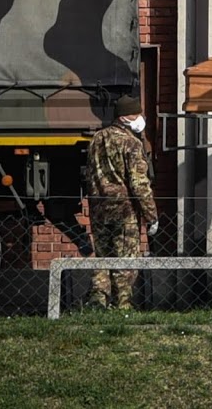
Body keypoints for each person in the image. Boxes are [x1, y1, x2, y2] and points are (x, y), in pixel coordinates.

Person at [85, 95, 158, 310]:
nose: (140, 118)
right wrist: (151, 216)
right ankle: (123, 306)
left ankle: (98, 301)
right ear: (127, 117)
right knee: (125, 260)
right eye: (137, 114)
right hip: (124, 210)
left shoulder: (97, 139)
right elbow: (139, 184)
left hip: (99, 207)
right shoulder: (131, 143)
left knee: (102, 258)